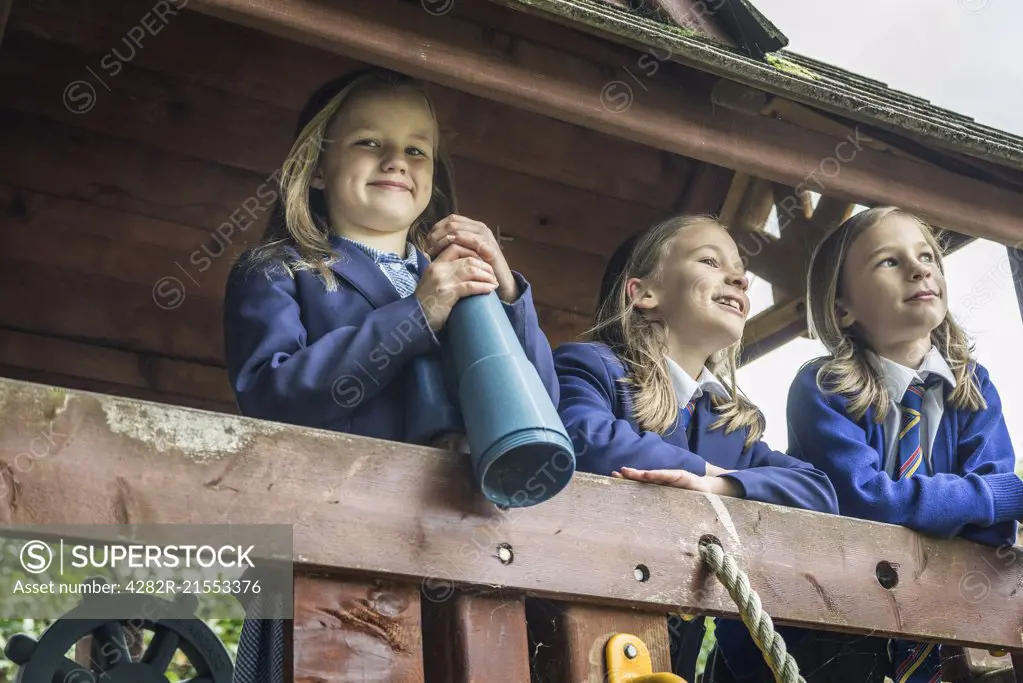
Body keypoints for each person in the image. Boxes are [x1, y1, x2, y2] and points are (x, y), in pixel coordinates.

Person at [222, 67, 559, 683]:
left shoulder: (460, 279)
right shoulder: (279, 269)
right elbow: (273, 397)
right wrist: (417, 315)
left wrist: (508, 293)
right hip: (336, 553)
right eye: (368, 142)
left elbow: (540, 419)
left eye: (415, 149)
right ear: (317, 169)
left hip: (469, 550)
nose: (395, 160)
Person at [552, 214, 838, 682]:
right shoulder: (589, 366)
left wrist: (716, 484)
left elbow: (818, 490)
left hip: (677, 654)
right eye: (710, 260)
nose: (740, 278)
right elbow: (589, 442)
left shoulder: (730, 422)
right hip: (578, 633)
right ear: (643, 293)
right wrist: (702, 468)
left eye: (741, 270)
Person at [785, 206, 1023, 682]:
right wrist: (999, 496)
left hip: (938, 625)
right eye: (888, 262)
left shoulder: (973, 388)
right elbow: (866, 502)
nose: (920, 269)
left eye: (926, 255)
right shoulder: (823, 388)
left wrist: (985, 504)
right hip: (821, 627)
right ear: (842, 308)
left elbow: (993, 533)